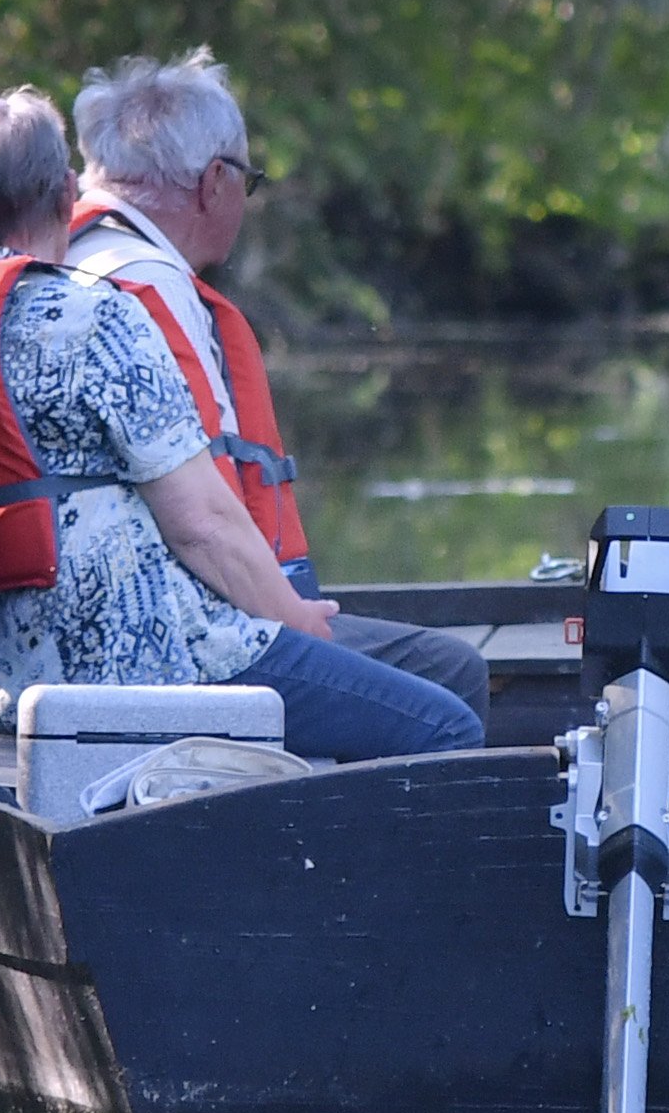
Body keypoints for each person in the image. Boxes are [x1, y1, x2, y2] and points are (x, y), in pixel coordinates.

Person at [0, 90, 475, 762]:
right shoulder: (100, 322)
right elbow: (202, 523)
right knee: (448, 723)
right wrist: (295, 621)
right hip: (147, 668)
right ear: (69, 195)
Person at [62, 51, 486, 720]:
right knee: (448, 680)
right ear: (214, 183)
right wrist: (291, 617)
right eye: (250, 182)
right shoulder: (151, 293)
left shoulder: (56, 262)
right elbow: (202, 524)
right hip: (175, 632)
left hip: (91, 616)